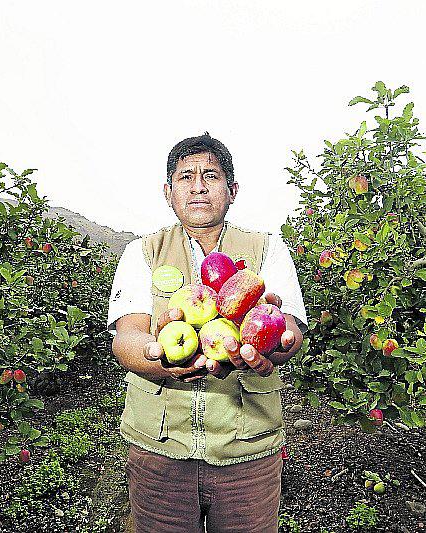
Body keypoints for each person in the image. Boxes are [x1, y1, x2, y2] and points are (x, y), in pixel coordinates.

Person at [107, 132, 307, 532]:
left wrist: (273, 344)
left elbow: (291, 332)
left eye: (211, 176)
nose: (198, 186)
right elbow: (125, 338)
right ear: (168, 192)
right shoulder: (142, 252)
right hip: (159, 451)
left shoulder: (268, 250)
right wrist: (157, 355)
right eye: (186, 177)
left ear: (232, 191)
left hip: (247, 452)